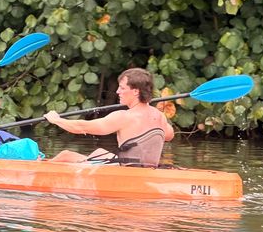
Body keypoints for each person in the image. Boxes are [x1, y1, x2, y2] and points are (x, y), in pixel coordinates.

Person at [44, 67, 174, 166]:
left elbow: (81, 127)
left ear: (136, 91)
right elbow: (169, 135)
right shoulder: (160, 116)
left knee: (65, 156)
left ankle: (40, 171)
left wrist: (56, 120)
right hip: (147, 169)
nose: (117, 91)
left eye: (122, 88)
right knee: (99, 152)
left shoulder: (123, 117)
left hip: (126, 173)